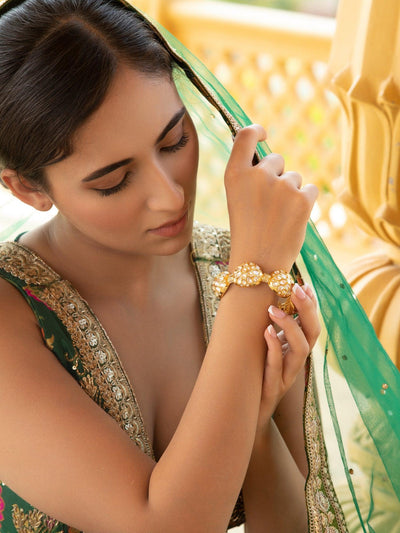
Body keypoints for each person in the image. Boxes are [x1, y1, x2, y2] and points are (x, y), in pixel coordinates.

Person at [0, 1, 399, 532]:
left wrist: (254, 430)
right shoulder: (14, 315)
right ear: (25, 187)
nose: (169, 199)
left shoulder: (239, 270)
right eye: (113, 182)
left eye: (174, 141)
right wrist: (252, 277)